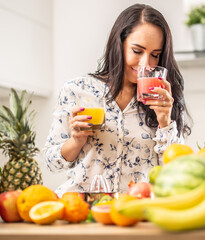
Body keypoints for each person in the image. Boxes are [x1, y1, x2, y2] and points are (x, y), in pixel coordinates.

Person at [44, 4, 191, 197]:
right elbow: (51, 163)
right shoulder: (77, 90)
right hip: (82, 210)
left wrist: (165, 122)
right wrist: (75, 141)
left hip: (136, 212)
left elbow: (177, 173)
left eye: (155, 55)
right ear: (118, 44)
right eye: (137, 51)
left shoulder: (161, 100)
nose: (145, 64)